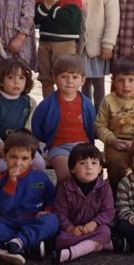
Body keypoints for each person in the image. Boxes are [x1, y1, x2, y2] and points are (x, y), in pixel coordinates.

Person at [0, 130, 59, 265]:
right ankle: (25, 247)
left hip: (33, 220)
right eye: (13, 157)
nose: (18, 163)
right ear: (5, 156)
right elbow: (2, 208)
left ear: (32, 159)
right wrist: (11, 182)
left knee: (53, 220)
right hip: (8, 221)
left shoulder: (40, 177)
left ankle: (14, 245)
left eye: (24, 158)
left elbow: (51, 198)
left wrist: (48, 210)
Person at [95, 58, 134, 196]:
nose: (126, 85)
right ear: (114, 81)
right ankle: (116, 197)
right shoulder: (108, 101)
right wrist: (112, 140)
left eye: (131, 80)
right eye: (121, 80)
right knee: (116, 164)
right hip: (116, 142)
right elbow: (100, 126)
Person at [0, 58, 45, 176]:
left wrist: (30, 143)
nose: (16, 82)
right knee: (0, 167)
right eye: (11, 78)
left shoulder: (30, 103)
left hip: (25, 148)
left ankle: (37, 190)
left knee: (39, 163)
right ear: (1, 81)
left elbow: (34, 126)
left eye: (21, 78)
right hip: (0, 150)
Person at [32, 55, 95, 183]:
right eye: (64, 77)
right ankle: (62, 201)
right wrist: (47, 139)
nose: (69, 81)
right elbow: (36, 126)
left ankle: (87, 202)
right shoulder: (48, 104)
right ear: (55, 78)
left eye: (75, 77)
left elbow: (93, 125)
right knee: (65, 176)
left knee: (89, 175)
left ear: (83, 80)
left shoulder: (87, 103)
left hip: (83, 146)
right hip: (59, 148)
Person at [52, 144, 115, 264]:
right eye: (82, 163)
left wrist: (95, 223)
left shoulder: (104, 187)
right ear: (72, 169)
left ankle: (72, 253)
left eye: (94, 163)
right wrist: (70, 228)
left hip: (94, 228)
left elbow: (108, 211)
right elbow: (60, 213)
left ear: (101, 168)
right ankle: (100, 245)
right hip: (74, 229)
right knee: (60, 239)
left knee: (105, 231)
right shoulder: (65, 188)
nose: (89, 167)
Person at [75, 0, 120, 112]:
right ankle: (86, 112)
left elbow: (113, 20)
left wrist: (108, 43)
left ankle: (100, 114)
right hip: (81, 46)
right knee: (83, 80)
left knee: (98, 82)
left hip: (99, 47)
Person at [35, 0, 82, 97]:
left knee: (65, 78)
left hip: (65, 43)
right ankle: (49, 107)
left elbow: (70, 22)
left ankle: (65, 108)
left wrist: (53, 6)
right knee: (45, 78)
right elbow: (35, 19)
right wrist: (46, 6)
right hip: (44, 42)